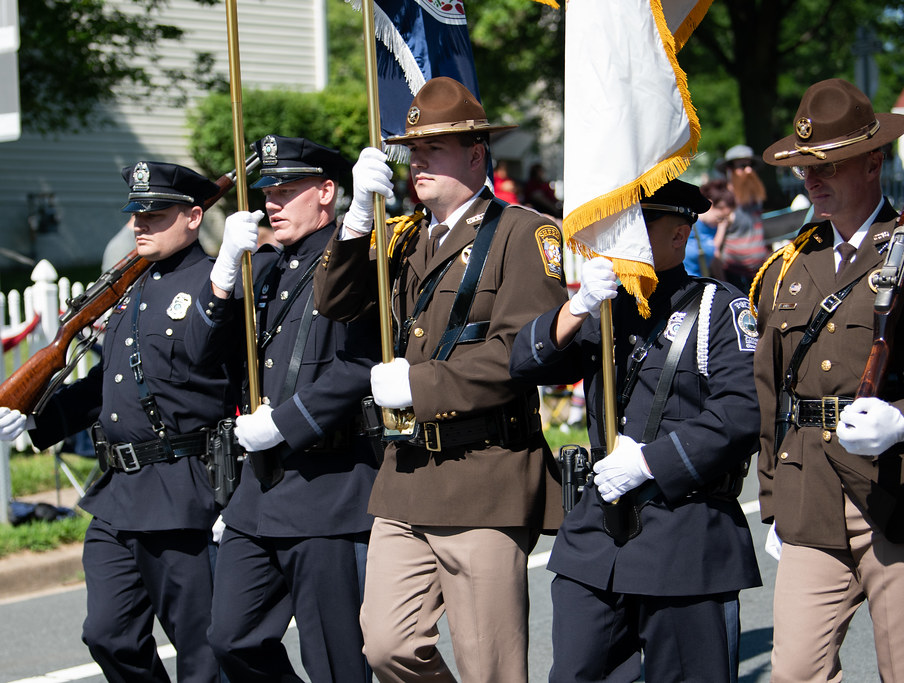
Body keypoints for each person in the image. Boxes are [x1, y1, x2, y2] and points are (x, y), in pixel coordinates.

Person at [313, 76, 566, 683]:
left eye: (434, 148)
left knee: (490, 667)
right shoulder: (403, 237)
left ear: (476, 155)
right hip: (406, 478)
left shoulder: (523, 234)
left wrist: (421, 386)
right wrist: (352, 223)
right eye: (412, 148)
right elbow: (334, 301)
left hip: (484, 474)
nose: (415, 160)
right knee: (386, 646)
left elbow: (521, 352)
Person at [752, 78, 904, 682]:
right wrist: (774, 501)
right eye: (806, 166)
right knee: (793, 673)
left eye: (829, 164)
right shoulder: (791, 268)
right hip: (808, 497)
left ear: (872, 161)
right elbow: (771, 392)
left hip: (901, 494)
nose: (813, 179)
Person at [509, 179, 762, 682]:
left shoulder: (716, 307)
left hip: (684, 533)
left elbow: (742, 412)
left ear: (680, 233)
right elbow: (523, 363)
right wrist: (577, 306)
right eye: (620, 225)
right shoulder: (605, 305)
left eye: (640, 223)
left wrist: (652, 461)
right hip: (598, 536)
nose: (624, 237)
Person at [0, 161, 233, 682]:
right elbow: (107, 382)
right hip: (117, 494)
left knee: (203, 652)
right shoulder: (130, 288)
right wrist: (36, 419)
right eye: (136, 215)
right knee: (108, 635)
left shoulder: (215, 285)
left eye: (155, 214)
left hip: (183, 495)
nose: (139, 225)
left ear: (194, 217)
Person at [202, 135, 380, 682]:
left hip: (329, 486)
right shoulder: (269, 268)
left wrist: (283, 424)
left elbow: (359, 364)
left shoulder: (356, 261)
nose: (272, 202)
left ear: (327, 192)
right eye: (268, 191)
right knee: (231, 639)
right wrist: (224, 280)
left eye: (287, 189)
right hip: (260, 493)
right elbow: (215, 359)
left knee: (336, 662)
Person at [715, 144, 770, 291]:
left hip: (759, 270)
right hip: (735, 275)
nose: (749, 170)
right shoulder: (723, 201)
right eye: (742, 166)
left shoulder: (756, 195)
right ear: (730, 170)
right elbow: (714, 245)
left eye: (750, 165)